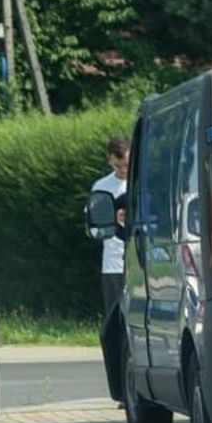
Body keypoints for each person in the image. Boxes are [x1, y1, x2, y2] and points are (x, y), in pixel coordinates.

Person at [90, 135, 129, 318]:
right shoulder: (101, 187)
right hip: (113, 264)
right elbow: (92, 226)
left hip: (142, 262)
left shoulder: (141, 183)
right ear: (109, 160)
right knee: (114, 317)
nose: (122, 170)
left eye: (126, 165)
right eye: (117, 165)